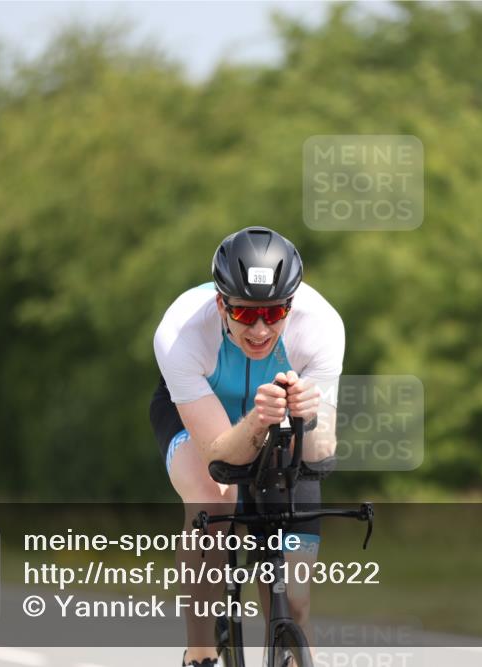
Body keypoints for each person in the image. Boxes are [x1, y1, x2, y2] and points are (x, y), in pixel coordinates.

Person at [150, 226, 345, 667]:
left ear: (291, 307)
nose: (259, 329)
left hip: (281, 416)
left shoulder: (322, 326)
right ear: (222, 304)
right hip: (203, 412)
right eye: (244, 314)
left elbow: (320, 456)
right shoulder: (181, 330)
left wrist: (308, 418)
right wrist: (259, 418)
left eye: (274, 314)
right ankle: (199, 652)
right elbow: (219, 456)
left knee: (295, 598)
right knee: (213, 500)